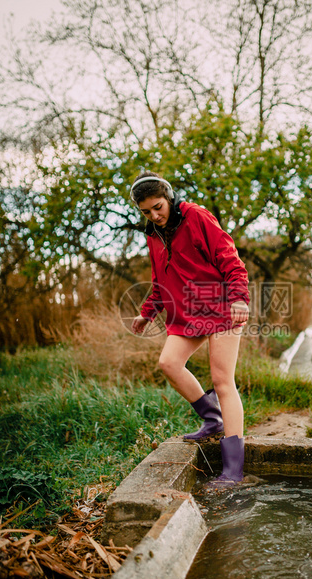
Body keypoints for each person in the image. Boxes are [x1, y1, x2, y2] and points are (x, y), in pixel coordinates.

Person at [130, 171, 250, 487]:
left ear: (168, 198)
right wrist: (147, 312)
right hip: (186, 312)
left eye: (158, 207)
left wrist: (239, 298)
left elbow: (230, 259)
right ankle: (212, 419)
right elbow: (160, 281)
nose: (154, 215)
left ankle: (233, 471)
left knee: (223, 380)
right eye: (146, 211)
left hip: (221, 304)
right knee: (168, 363)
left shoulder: (196, 216)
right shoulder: (152, 235)